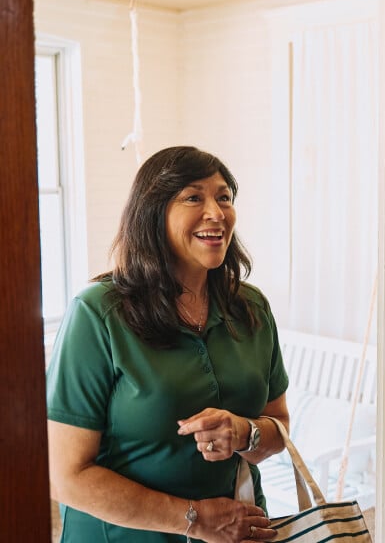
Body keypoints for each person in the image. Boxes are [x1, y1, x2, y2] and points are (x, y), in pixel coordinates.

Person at [47, 146, 289, 542]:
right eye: (194, 197)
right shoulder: (97, 313)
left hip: (238, 531)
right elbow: (67, 476)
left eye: (224, 197)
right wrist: (196, 519)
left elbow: (279, 423)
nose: (216, 212)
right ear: (153, 213)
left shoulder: (251, 308)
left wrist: (246, 433)